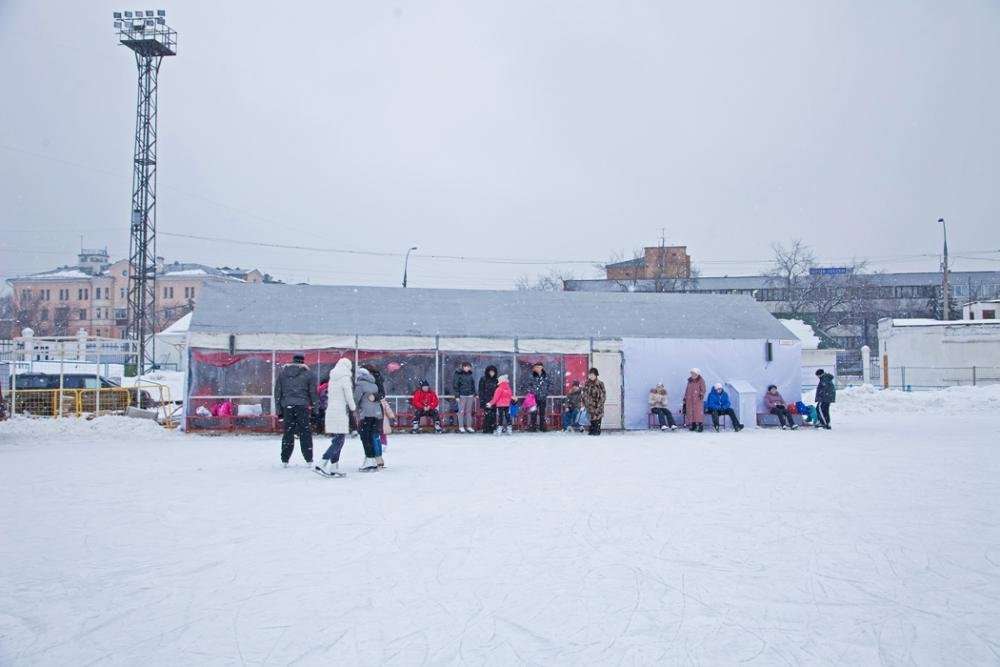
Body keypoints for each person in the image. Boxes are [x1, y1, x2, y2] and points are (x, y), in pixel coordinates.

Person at [274, 353, 319, 467]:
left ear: (292, 360)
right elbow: (313, 393)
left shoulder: (283, 374)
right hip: (302, 407)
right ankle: (309, 459)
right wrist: (315, 410)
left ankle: (285, 459)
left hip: (287, 407)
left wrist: (279, 411)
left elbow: (278, 393)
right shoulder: (309, 374)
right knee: (305, 432)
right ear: (303, 361)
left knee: (288, 433)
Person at [315, 358, 356, 477]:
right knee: (339, 440)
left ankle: (334, 467)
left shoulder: (332, 378)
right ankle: (322, 463)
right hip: (340, 411)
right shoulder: (345, 378)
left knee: (338, 439)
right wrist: (353, 408)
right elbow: (348, 395)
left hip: (331, 410)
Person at [355, 367, 383, 471]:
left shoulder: (360, 385)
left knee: (365, 437)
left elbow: (356, 399)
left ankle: (369, 460)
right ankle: (374, 460)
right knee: (372, 436)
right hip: (376, 413)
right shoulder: (374, 384)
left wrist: (353, 409)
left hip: (366, 414)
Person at [362, 364, 389, 467]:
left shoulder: (373, 379)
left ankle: (374, 458)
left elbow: (381, 394)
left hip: (372, 409)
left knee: (372, 435)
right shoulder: (377, 378)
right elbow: (382, 393)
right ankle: (378, 459)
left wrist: (374, 397)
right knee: (375, 434)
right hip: (376, 409)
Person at [453, 362, 477, 433]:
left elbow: (473, 385)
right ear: (463, 367)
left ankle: (469, 426)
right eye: (466, 366)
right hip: (462, 395)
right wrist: (457, 396)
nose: (467, 368)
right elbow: (455, 385)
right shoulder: (458, 374)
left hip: (470, 395)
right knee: (461, 411)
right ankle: (461, 426)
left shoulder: (470, 374)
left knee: (469, 411)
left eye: (469, 367)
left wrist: (474, 394)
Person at [527, 362, 552, 432]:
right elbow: (528, 385)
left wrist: (546, 392)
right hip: (533, 398)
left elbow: (551, 385)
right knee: (533, 413)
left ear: (541, 368)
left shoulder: (546, 376)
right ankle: (533, 427)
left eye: (537, 367)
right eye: (535, 367)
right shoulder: (531, 376)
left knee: (542, 413)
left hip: (543, 397)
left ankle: (542, 427)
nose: (535, 368)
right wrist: (532, 391)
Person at [582, 368, 606, 435]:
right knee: (591, 430)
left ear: (596, 375)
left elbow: (603, 396)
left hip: (598, 408)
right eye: (590, 374)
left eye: (592, 374)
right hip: (590, 408)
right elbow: (584, 395)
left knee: (597, 429)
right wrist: (585, 403)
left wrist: (598, 406)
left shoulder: (600, 384)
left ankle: (598, 443)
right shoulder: (587, 384)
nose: (591, 376)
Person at [478, 365, 499, 434]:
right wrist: (482, 400)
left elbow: (498, 390)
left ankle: (492, 428)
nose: (492, 373)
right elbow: (481, 390)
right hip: (486, 399)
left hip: (494, 400)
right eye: (490, 372)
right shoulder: (483, 379)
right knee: (487, 414)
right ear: (488, 372)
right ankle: (486, 428)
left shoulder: (496, 380)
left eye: (493, 372)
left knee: (493, 414)